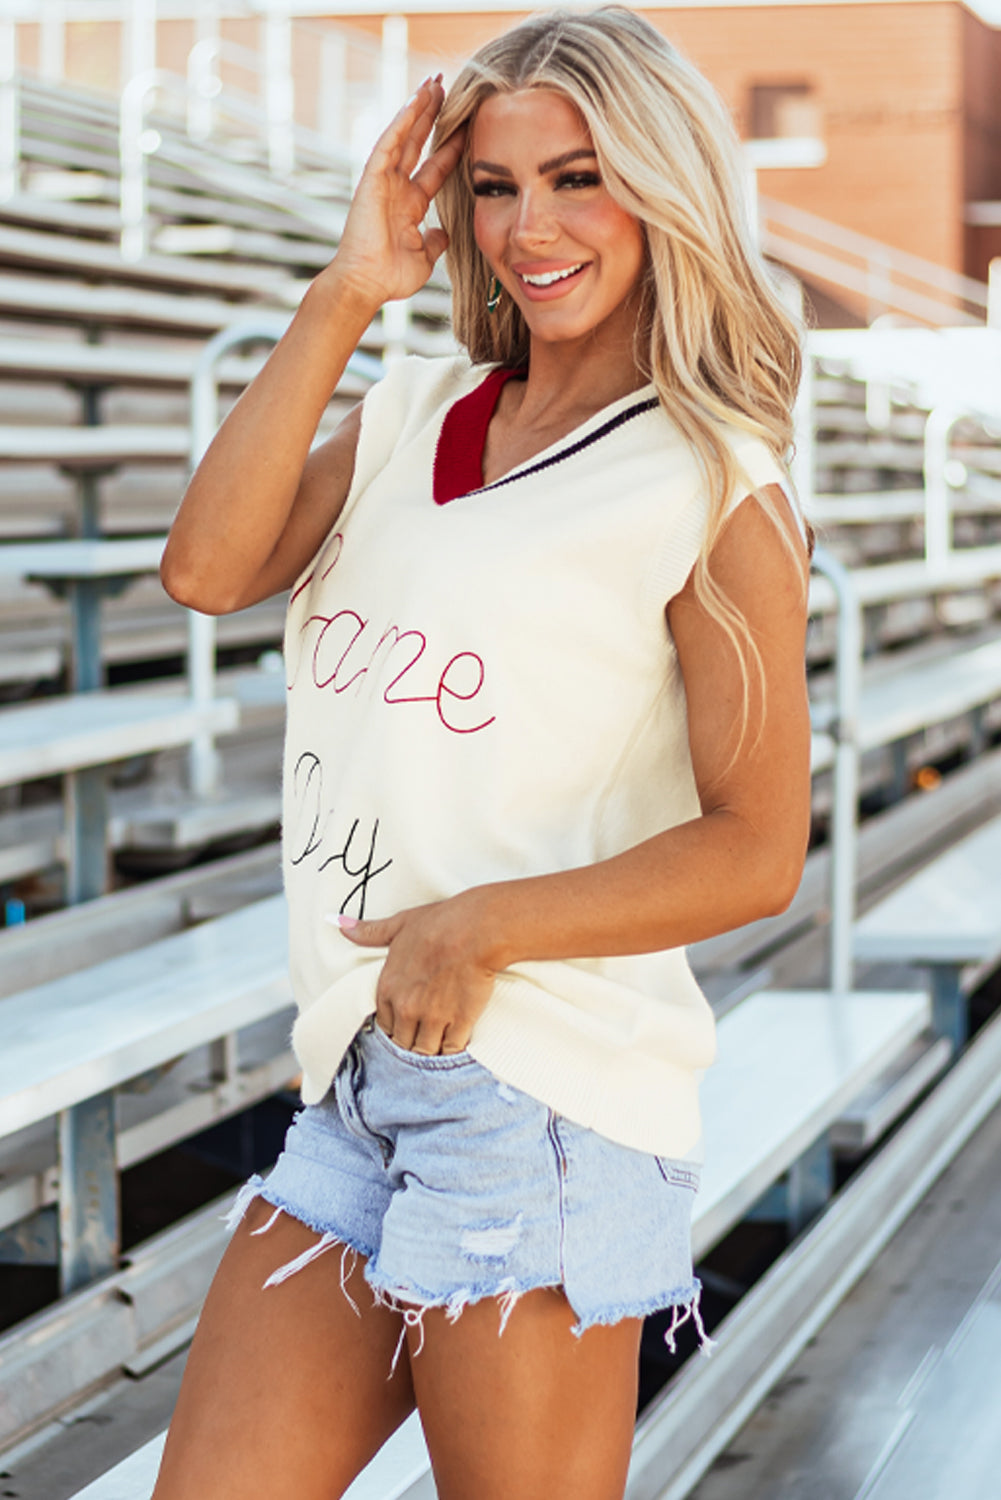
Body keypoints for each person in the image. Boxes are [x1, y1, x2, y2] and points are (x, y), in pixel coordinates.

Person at [154, 8, 812, 1498]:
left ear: (663, 188)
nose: (531, 227)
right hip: (362, 1075)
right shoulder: (414, 413)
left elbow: (755, 845)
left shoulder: (712, 480)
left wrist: (479, 927)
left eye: (579, 178)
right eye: (497, 186)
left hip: (545, 1104)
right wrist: (347, 291)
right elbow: (206, 569)